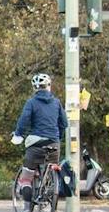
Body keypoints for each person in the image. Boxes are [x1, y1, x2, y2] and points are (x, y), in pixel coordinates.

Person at [11, 71, 67, 201]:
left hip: (36, 144)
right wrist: (59, 138)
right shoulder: (57, 103)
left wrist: (18, 134)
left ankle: (25, 207)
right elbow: (63, 123)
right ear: (49, 86)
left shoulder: (31, 103)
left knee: (26, 175)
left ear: (35, 88)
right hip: (54, 144)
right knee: (52, 172)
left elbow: (24, 119)